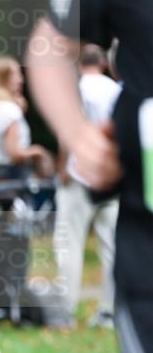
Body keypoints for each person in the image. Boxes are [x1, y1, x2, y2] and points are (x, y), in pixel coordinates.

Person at [26, 0, 153, 353]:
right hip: (144, 232)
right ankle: (89, 307)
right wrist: (80, 139)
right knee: (83, 242)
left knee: (72, 243)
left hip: (88, 188)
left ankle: (72, 307)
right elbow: (48, 46)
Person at [53, 45, 121, 328]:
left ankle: (65, 310)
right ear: (103, 62)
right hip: (111, 174)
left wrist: (62, 168)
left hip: (78, 173)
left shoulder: (75, 90)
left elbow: (68, 132)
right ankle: (109, 310)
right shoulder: (116, 90)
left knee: (69, 242)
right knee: (112, 245)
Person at [0, 56, 54, 183]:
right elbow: (14, 154)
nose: (21, 80)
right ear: (2, 78)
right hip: (13, 177)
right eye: (16, 75)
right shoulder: (9, 110)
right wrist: (38, 152)